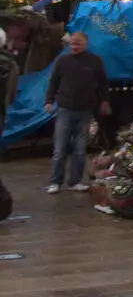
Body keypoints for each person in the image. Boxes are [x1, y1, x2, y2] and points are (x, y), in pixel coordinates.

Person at [43, 32, 108, 194]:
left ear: (86, 44)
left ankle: (75, 181)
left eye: (78, 44)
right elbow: (54, 81)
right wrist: (49, 100)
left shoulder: (95, 61)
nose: (74, 47)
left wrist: (105, 101)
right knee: (60, 149)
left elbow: (103, 83)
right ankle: (55, 182)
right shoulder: (62, 61)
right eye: (72, 44)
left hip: (85, 111)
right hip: (65, 109)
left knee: (80, 150)